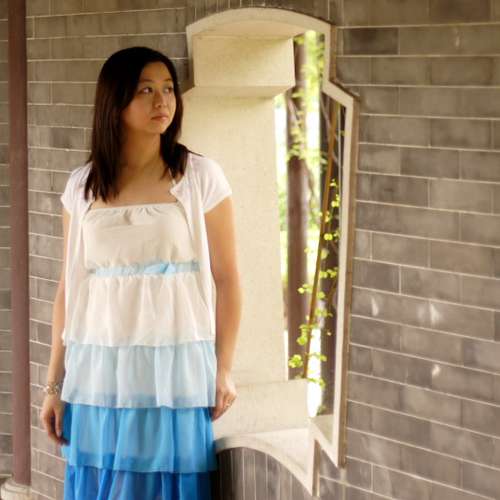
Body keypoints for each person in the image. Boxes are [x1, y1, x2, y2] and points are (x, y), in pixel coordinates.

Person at [39, 46, 242, 499]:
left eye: (168, 89)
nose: (162, 101)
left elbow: (228, 279)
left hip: (175, 373)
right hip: (98, 375)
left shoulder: (200, 177)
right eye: (146, 90)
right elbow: (69, 289)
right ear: (116, 103)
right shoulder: (81, 186)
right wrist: (55, 384)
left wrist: (223, 368)